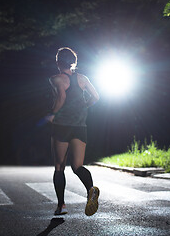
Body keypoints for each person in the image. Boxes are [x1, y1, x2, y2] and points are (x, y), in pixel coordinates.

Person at [46, 47, 100, 216]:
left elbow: (61, 97)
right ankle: (90, 189)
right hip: (80, 126)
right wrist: (84, 105)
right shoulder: (83, 78)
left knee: (59, 166)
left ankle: (61, 205)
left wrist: (52, 114)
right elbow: (96, 97)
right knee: (77, 166)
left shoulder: (56, 79)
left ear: (57, 62)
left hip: (62, 126)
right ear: (73, 62)